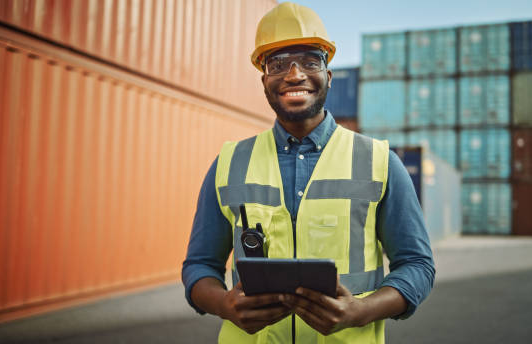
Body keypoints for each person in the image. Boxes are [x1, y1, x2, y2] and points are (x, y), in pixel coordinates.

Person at [181, 2, 435, 343]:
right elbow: (198, 267)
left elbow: (418, 265)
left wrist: (361, 311)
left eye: (310, 61)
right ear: (264, 81)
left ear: (328, 76)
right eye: (278, 64)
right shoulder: (228, 163)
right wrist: (225, 305)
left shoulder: (380, 161)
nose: (294, 74)